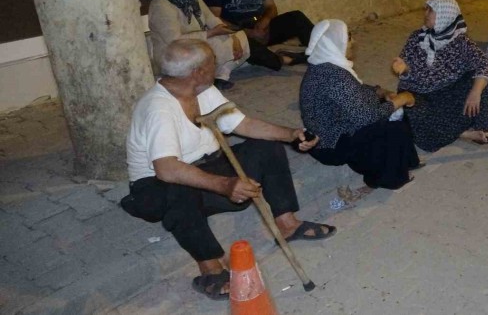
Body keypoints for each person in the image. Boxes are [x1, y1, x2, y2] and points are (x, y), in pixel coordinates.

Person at [121, 39, 336, 301]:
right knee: (179, 191)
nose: (218, 67)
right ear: (197, 72)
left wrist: (291, 134)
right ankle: (210, 269)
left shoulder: (202, 90)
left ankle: (287, 224)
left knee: (266, 148)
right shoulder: (159, 108)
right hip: (156, 187)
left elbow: (243, 124)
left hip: (204, 166)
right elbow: (167, 170)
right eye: (213, 63)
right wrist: (225, 185)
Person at [299, 20, 420, 190]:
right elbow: (366, 117)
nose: (353, 42)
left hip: (334, 127)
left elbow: (355, 89)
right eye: (348, 38)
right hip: (330, 144)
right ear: (334, 43)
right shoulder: (332, 75)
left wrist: (381, 92)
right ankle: (389, 177)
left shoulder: (325, 65)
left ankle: (405, 160)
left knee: (388, 106)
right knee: (390, 126)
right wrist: (402, 99)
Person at [392, 0, 488, 152]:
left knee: (483, 83)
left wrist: (475, 92)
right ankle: (462, 133)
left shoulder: (460, 42)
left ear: (445, 16)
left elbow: (485, 64)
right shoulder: (416, 38)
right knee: (412, 114)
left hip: (448, 93)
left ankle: (459, 129)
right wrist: (404, 70)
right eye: (426, 9)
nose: (425, 13)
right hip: (420, 93)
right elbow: (407, 74)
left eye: (430, 10)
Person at [148, 0, 249, 91]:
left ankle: (221, 76)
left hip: (196, 42)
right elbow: (174, 41)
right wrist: (210, 33)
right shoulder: (160, 4)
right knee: (215, 42)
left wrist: (233, 36)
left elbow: (211, 19)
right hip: (174, 53)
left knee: (240, 36)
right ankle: (198, 80)